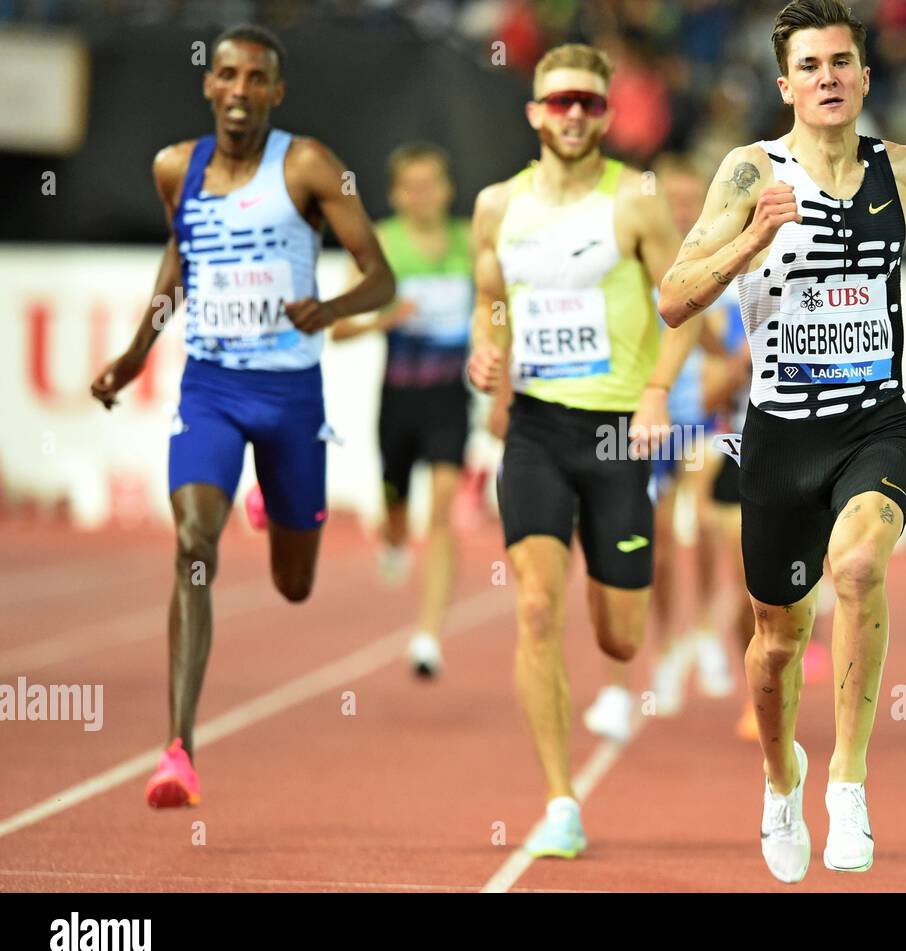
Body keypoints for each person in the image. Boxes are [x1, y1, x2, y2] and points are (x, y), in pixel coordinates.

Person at [659, 0, 906, 882]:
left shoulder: (905, 169)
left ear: (866, 77)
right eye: (810, 66)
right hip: (778, 437)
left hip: (876, 421)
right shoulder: (747, 174)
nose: (829, 78)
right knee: (775, 642)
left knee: (859, 567)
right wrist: (750, 243)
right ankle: (782, 779)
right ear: (786, 85)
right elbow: (673, 295)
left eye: (842, 62)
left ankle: (847, 780)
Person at [89, 23, 394, 807]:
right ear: (208, 83)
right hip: (213, 390)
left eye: (256, 80)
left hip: (291, 401)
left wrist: (324, 309)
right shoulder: (175, 168)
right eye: (227, 75)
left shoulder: (309, 165)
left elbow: (381, 277)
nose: (239, 91)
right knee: (193, 541)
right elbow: (178, 260)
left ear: (275, 93)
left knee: (295, 585)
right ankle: (179, 748)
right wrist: (134, 354)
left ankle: (271, 500)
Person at [467, 43, 702, 859]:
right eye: (560, 101)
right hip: (535, 427)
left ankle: (621, 666)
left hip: (615, 435)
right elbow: (489, 303)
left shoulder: (635, 200)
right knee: (536, 607)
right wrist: (484, 354)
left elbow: (686, 309)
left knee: (619, 636)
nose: (573, 115)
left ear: (606, 115)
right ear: (534, 112)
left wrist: (655, 392)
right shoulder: (497, 206)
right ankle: (561, 800)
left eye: (590, 104)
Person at [581, 154, 735, 742]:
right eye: (670, 198)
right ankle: (672, 645)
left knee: (696, 524)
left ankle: (704, 635)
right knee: (662, 542)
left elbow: (733, 348)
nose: (680, 208)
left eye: (690, 198)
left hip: (702, 421)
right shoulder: (632, 267)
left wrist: (728, 363)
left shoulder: (719, 268)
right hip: (645, 423)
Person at [332, 143, 474, 677]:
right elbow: (338, 327)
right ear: (395, 194)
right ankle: (392, 540)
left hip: (449, 398)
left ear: (447, 188)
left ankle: (428, 635)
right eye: (410, 186)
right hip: (398, 398)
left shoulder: (467, 243)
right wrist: (381, 321)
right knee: (396, 511)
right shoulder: (383, 245)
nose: (422, 195)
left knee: (440, 512)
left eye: (431, 183)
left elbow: (493, 310)